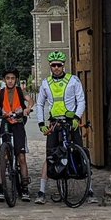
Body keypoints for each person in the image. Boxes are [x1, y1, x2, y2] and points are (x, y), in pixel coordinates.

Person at [34, 51, 85, 205]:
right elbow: (40, 104)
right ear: (50, 66)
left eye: (59, 65)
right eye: (53, 65)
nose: (56, 68)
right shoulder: (45, 83)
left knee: (79, 153)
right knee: (50, 156)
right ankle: (42, 191)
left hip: (71, 121)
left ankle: (89, 190)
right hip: (54, 123)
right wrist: (41, 123)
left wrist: (77, 117)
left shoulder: (73, 80)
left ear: (63, 66)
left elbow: (81, 100)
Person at [0, 66, 33, 202]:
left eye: (12, 78)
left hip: (19, 124)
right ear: (4, 80)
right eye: (8, 78)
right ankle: (0, 188)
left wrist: (28, 108)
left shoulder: (21, 91)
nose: (10, 81)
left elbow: (30, 100)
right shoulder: (1, 93)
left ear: (16, 80)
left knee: (21, 156)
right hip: (6, 124)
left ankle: (25, 187)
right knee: (4, 157)